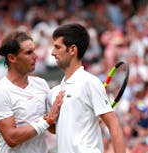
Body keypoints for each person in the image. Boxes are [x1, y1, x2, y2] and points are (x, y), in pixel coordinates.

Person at [48, 23, 126, 153]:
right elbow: (57, 129)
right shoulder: (54, 92)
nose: (52, 52)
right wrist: (50, 119)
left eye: (57, 47)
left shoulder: (90, 83)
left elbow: (114, 126)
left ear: (72, 50)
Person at [0, 31, 65, 153]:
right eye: (29, 53)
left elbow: (52, 128)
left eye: (34, 50)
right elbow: (11, 138)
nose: (36, 56)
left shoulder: (41, 84)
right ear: (12, 58)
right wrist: (48, 120)